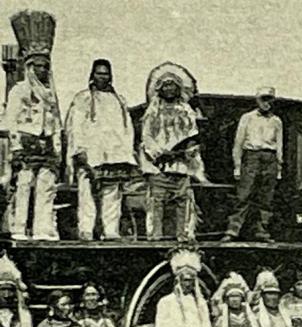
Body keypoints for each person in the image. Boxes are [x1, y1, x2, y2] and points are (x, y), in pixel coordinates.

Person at [64, 59, 137, 240]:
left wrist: (127, 151)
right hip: (91, 153)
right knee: (87, 191)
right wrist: (78, 150)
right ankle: (86, 229)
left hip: (115, 153)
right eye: (99, 73)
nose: (102, 77)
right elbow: (75, 126)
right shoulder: (83, 98)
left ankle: (111, 230)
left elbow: (127, 128)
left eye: (105, 73)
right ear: (92, 75)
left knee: (112, 193)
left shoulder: (119, 100)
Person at [4, 10, 61, 241]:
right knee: (23, 185)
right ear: (29, 67)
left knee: (46, 187)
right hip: (26, 144)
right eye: (38, 66)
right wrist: (16, 148)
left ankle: (42, 228)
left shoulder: (50, 95)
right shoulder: (19, 90)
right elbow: (11, 121)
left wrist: (56, 147)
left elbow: (55, 122)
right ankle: (19, 228)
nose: (42, 70)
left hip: (45, 145)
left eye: (45, 66)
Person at [139, 63, 206, 241]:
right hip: (158, 166)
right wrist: (161, 153)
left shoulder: (187, 111)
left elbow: (193, 136)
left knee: (184, 202)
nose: (169, 89)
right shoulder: (152, 112)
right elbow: (147, 137)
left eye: (173, 85)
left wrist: (185, 152)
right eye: (165, 85)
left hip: (181, 166)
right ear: (159, 89)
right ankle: (155, 238)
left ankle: (184, 238)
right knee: (156, 203)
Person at [222, 87, 283, 241]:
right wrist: (237, 165)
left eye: (270, 99)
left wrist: (279, 167)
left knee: (266, 198)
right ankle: (233, 230)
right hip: (251, 157)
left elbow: (279, 145)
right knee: (244, 194)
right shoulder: (247, 118)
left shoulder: (276, 121)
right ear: (257, 100)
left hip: (270, 158)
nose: (267, 103)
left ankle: (262, 231)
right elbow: (238, 142)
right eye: (264, 99)